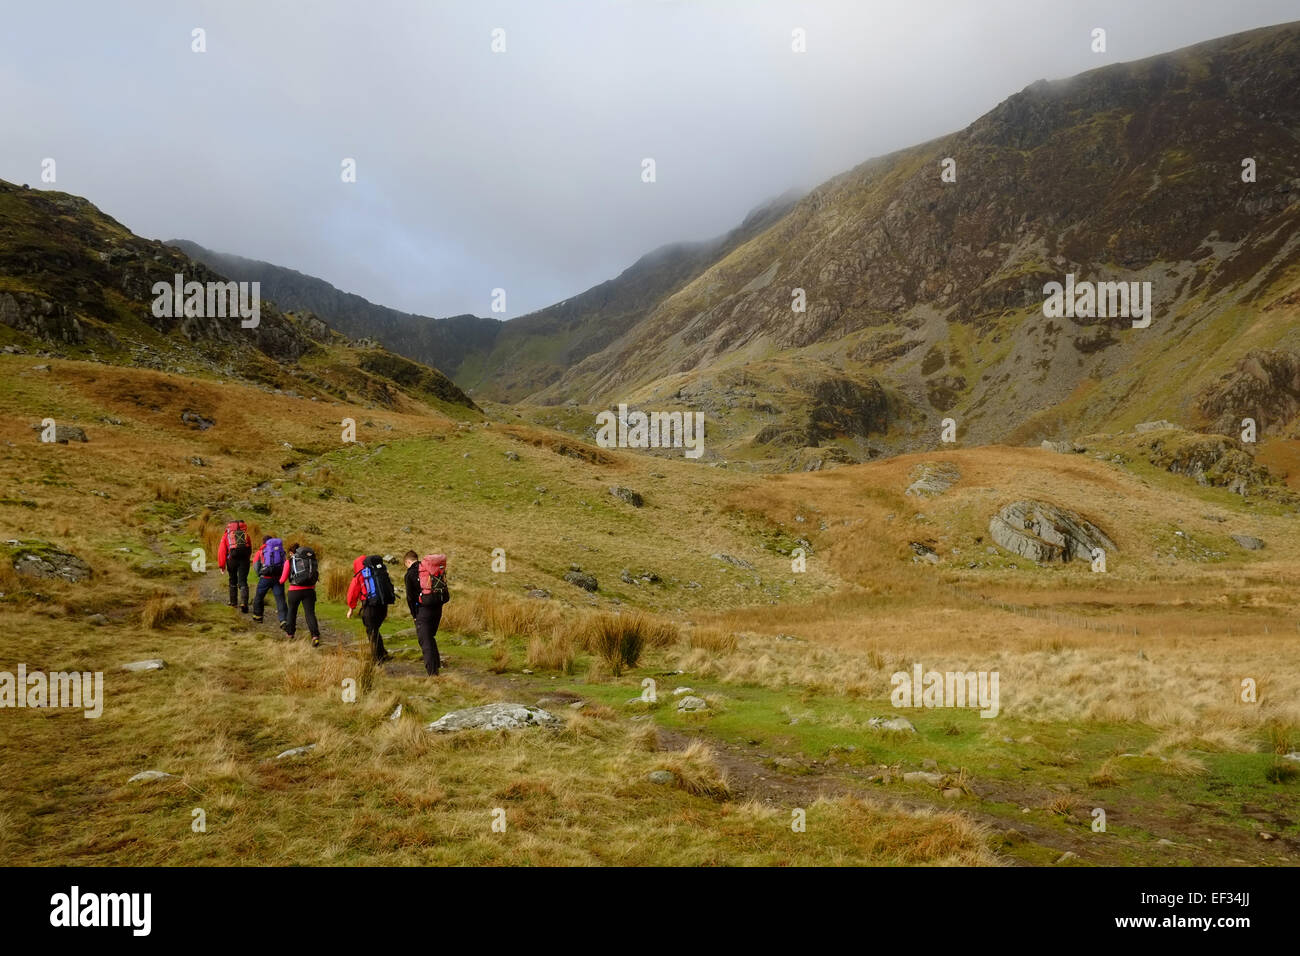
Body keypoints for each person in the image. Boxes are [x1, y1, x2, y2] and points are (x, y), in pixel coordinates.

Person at [404, 551, 448, 676]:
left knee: (425, 640)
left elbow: (410, 598)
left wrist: (414, 616)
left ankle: (432, 673)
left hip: (424, 610)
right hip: (437, 606)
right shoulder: (428, 569)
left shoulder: (410, 574)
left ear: (407, 562)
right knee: (430, 636)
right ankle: (437, 664)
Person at [346, 554, 392, 663]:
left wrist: (351, 608)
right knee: (375, 629)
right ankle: (382, 653)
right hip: (383, 605)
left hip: (370, 606)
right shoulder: (380, 571)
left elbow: (352, 593)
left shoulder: (360, 575)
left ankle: (378, 658)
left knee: (372, 631)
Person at [279, 542, 321, 646]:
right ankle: (315, 636)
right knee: (310, 613)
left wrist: (279, 581)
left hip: (294, 591)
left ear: (291, 552)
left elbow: (282, 579)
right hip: (310, 591)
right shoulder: (309, 561)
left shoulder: (289, 562)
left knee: (292, 612)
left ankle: (290, 634)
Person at [251, 534, 288, 627]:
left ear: (264, 542)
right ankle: (283, 620)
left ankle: (258, 616)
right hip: (278, 578)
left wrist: (260, 573)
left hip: (265, 578)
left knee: (259, 597)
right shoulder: (280, 550)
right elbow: (285, 563)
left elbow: (255, 565)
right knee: (280, 599)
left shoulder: (261, 551)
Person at [216, 519, 252, 613]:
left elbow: (222, 551)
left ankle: (233, 603)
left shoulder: (226, 535)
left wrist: (222, 565)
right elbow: (249, 548)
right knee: (243, 581)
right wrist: (247, 559)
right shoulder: (246, 534)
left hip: (231, 559)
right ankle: (244, 603)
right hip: (244, 559)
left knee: (232, 580)